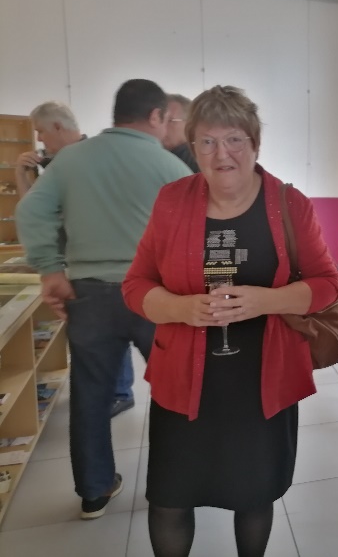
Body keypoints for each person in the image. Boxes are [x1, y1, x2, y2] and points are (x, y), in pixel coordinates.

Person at [122, 85, 338, 557]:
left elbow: (327, 284)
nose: (222, 153)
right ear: (193, 148)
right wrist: (183, 309)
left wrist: (268, 300)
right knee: (170, 500)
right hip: (184, 384)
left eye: (235, 139)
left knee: (253, 496)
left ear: (255, 144)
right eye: (207, 141)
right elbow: (136, 285)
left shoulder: (289, 203)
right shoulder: (171, 201)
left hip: (262, 385)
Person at [16, 79, 192, 520]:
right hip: (156, 296)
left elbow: (31, 211)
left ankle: (94, 491)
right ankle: (172, 486)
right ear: (155, 117)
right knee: (174, 391)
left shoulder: (70, 160)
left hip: (88, 294)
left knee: (91, 394)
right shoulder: (170, 167)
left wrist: (50, 269)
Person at [17, 101, 138, 418]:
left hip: (98, 262)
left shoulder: (90, 158)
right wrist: (22, 172)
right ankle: (114, 391)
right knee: (100, 334)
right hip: (75, 261)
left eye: (42, 132)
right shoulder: (56, 163)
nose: (41, 140)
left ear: (57, 127)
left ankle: (120, 391)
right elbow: (34, 208)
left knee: (110, 330)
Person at [163, 93, 200, 172]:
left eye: (170, 121)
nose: (162, 126)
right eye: (160, 120)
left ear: (189, 124)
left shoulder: (199, 161)